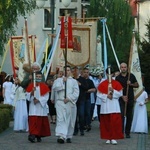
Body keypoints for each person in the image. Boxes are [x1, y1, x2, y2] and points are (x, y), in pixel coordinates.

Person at [52, 65, 79, 144]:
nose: (66, 71)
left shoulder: (74, 81)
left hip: (70, 102)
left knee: (70, 120)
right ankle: (61, 135)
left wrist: (69, 98)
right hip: (60, 102)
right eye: (65, 70)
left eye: (68, 70)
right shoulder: (58, 80)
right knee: (61, 119)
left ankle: (68, 135)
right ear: (63, 71)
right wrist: (63, 82)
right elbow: (55, 88)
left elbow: (76, 93)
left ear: (70, 71)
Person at [97, 67, 124, 145]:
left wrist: (113, 92)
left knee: (114, 122)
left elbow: (120, 93)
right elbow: (98, 94)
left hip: (114, 105)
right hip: (105, 105)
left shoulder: (116, 83)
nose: (109, 75)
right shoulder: (102, 83)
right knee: (106, 123)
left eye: (111, 74)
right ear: (106, 74)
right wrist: (106, 96)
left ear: (112, 74)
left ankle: (113, 137)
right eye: (108, 74)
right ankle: (108, 137)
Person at [26, 71, 51, 143]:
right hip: (33, 107)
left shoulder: (44, 86)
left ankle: (38, 135)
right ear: (34, 77)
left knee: (40, 122)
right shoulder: (31, 86)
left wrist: (39, 100)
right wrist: (31, 93)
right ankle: (32, 135)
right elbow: (27, 96)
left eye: (40, 77)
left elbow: (46, 96)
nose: (38, 78)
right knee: (33, 122)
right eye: (37, 77)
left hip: (40, 107)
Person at [115, 62, 139, 138]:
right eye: (122, 67)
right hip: (121, 98)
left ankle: (127, 132)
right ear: (120, 68)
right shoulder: (118, 78)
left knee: (129, 116)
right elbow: (116, 89)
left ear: (127, 68)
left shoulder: (131, 76)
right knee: (121, 115)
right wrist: (122, 96)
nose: (123, 68)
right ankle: (121, 132)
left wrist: (130, 84)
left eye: (125, 67)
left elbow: (137, 85)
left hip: (130, 98)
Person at [72, 66, 88, 136]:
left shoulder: (82, 79)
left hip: (81, 99)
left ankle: (81, 129)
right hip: (74, 100)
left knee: (81, 115)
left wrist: (80, 84)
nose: (75, 72)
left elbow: (86, 87)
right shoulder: (71, 79)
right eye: (74, 71)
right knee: (74, 116)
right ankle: (75, 129)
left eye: (76, 70)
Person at [82, 67, 96, 132]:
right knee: (81, 113)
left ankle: (88, 124)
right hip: (81, 99)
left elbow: (94, 89)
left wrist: (87, 90)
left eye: (87, 72)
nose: (86, 74)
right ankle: (82, 124)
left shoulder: (90, 81)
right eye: (85, 72)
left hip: (87, 98)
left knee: (88, 112)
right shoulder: (80, 80)